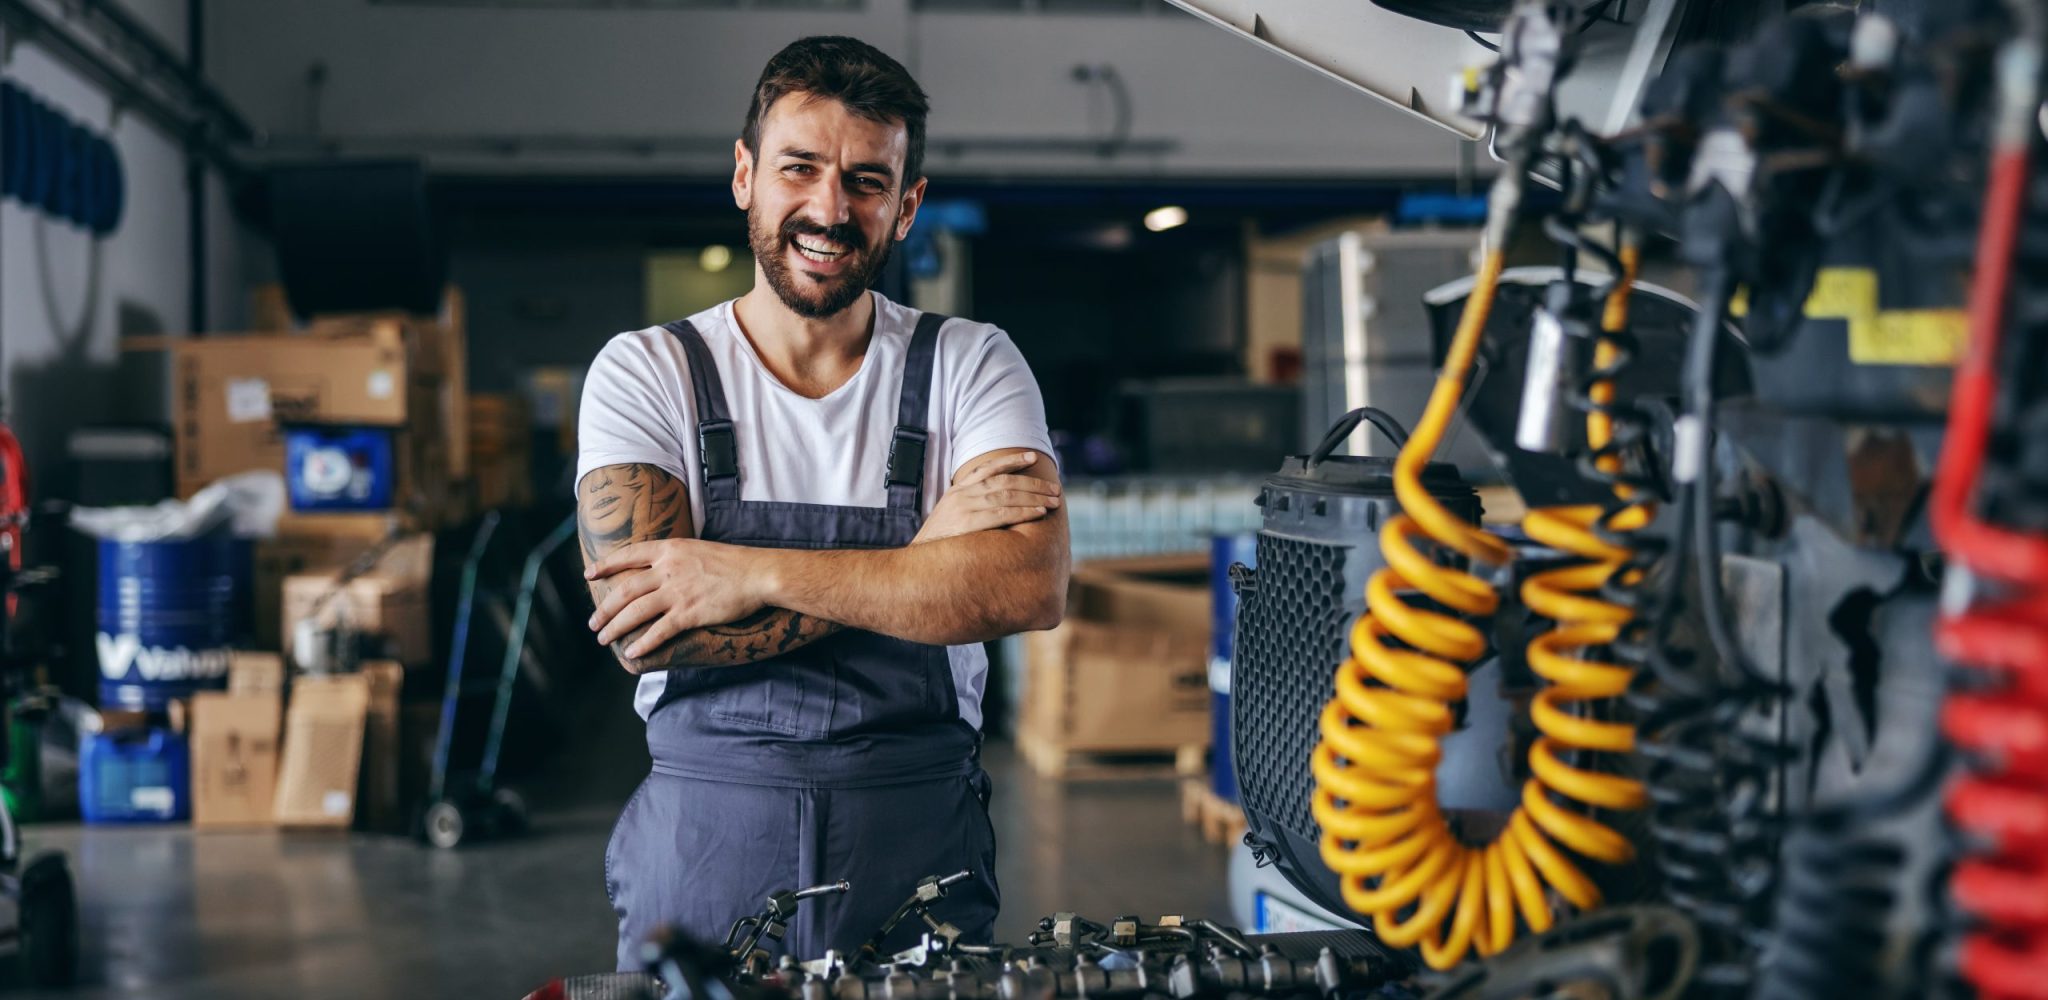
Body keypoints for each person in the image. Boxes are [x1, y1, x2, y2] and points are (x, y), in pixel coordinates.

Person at [574, 35, 1068, 971]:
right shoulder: (648, 372)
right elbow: (650, 629)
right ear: (745, 176)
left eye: (867, 181)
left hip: (916, 839)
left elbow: (1023, 588)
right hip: (707, 839)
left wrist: (743, 570)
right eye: (799, 168)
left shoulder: (970, 363)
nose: (830, 209)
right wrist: (924, 563)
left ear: (908, 204)